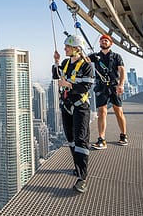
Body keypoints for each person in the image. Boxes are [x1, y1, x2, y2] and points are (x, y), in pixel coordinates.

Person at [52, 34, 94, 193]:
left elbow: (86, 86)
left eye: (67, 47)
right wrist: (56, 62)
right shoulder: (65, 62)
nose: (65, 49)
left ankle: (82, 178)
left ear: (76, 49)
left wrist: (68, 84)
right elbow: (56, 75)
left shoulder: (86, 66)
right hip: (67, 105)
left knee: (81, 139)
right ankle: (77, 167)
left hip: (80, 106)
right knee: (70, 138)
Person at [89, 34, 128, 149]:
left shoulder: (116, 56)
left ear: (111, 43)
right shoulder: (95, 56)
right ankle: (101, 139)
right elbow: (83, 60)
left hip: (114, 86)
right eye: (102, 41)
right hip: (101, 87)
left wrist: (121, 84)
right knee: (102, 112)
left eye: (106, 40)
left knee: (118, 111)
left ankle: (123, 135)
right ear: (99, 43)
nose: (104, 42)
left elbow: (122, 70)